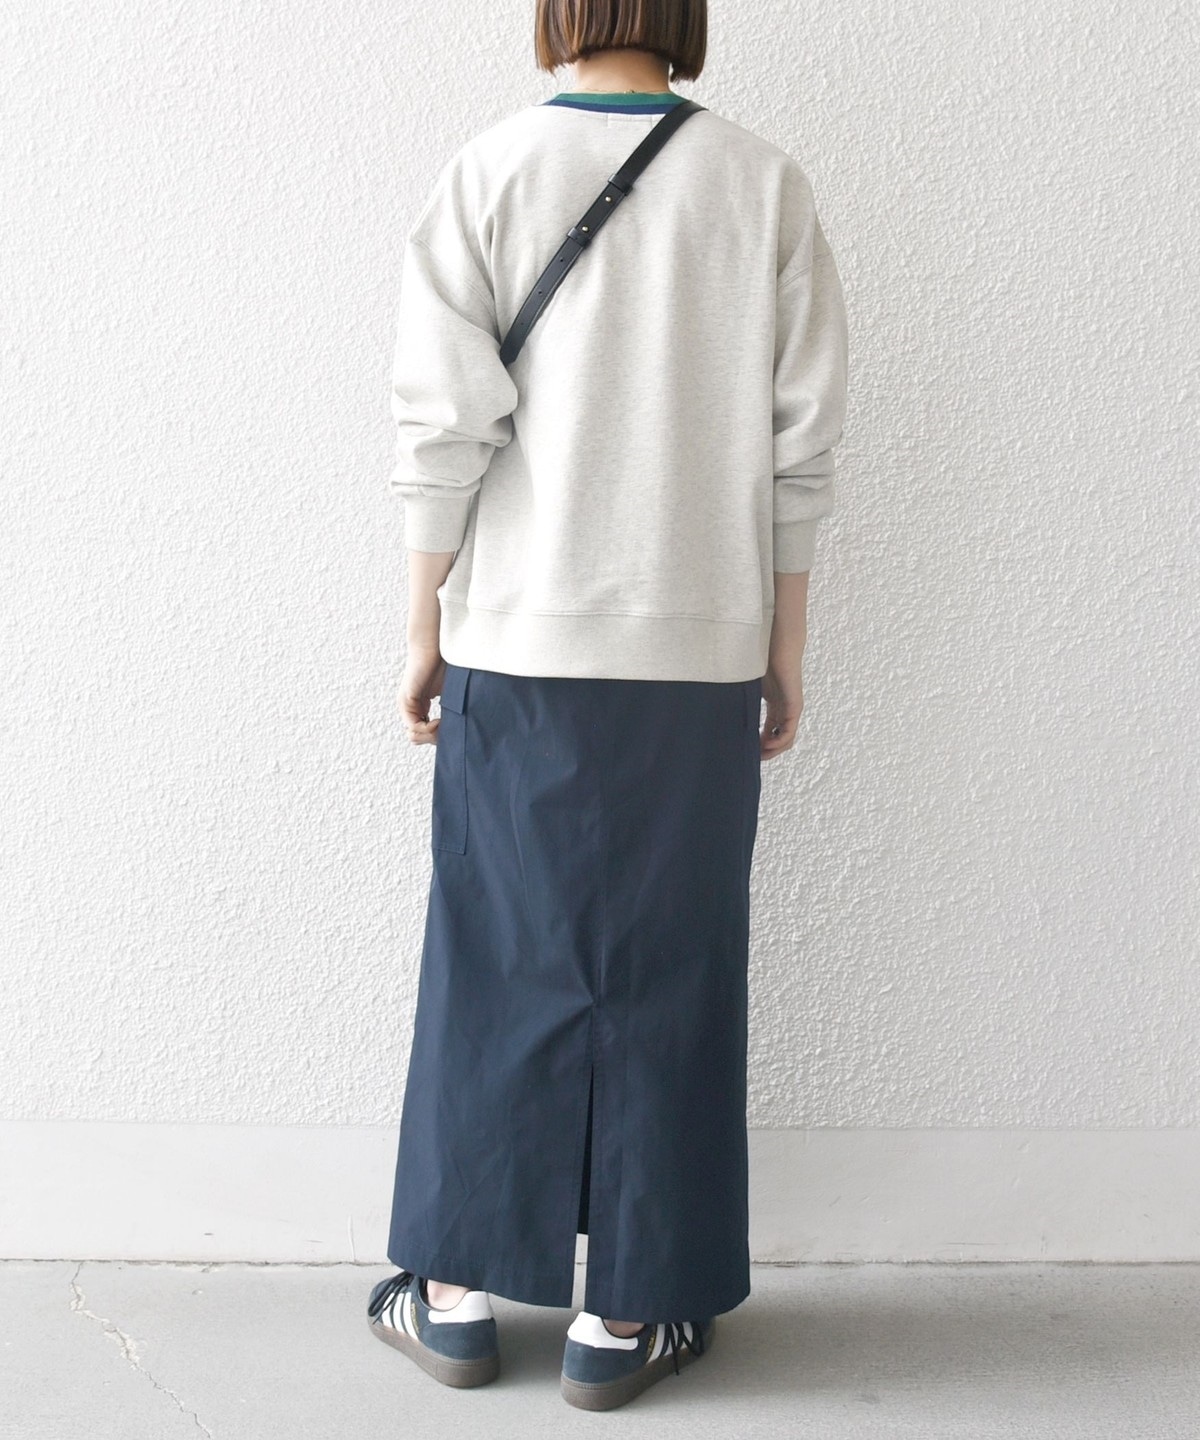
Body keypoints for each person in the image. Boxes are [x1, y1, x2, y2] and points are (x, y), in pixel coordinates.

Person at [366, 0, 849, 1412]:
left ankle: (456, 1298)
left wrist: (423, 623)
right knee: (670, 968)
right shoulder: (762, 184)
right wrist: (784, 643)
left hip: (520, 637)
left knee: (497, 954)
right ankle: (621, 1317)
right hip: (700, 647)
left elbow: (440, 425)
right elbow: (802, 447)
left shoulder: (489, 171)